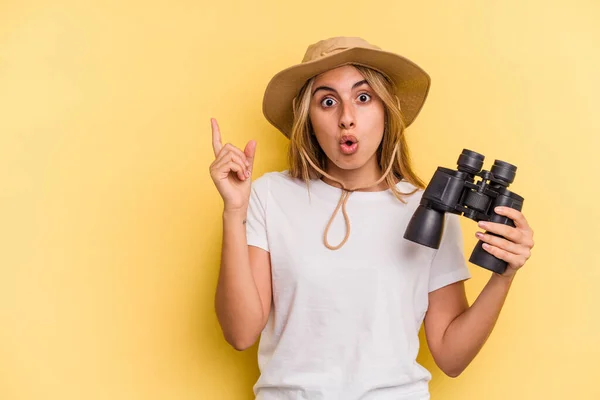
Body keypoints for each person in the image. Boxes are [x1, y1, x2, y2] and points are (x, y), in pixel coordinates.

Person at [209, 36, 535, 400]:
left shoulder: (429, 209)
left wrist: (504, 277)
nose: (346, 118)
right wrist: (233, 211)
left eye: (363, 98)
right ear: (308, 119)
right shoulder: (271, 195)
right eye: (328, 101)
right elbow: (240, 334)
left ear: (386, 110)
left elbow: (451, 356)